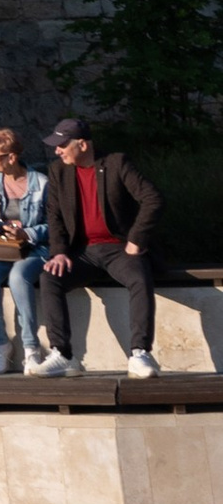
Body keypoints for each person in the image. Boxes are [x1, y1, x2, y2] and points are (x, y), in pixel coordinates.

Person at [35, 117, 162, 379]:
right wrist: (58, 252)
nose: (57, 150)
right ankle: (63, 355)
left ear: (81, 144)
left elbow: (153, 199)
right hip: (81, 252)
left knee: (139, 278)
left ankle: (140, 353)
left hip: (118, 249)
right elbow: (54, 215)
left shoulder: (116, 163)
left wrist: (136, 239)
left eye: (62, 145)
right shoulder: (58, 170)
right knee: (49, 277)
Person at [0, 127, 50, 376]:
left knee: (19, 277)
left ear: (11, 157)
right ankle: (0, 345)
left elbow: (54, 225)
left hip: (33, 247)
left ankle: (31, 347)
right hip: (0, 247)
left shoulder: (40, 183)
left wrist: (26, 233)